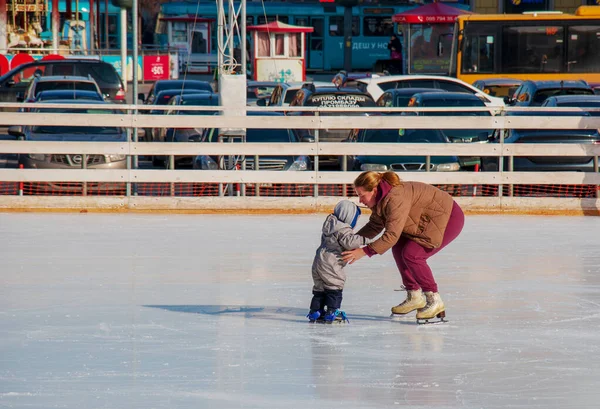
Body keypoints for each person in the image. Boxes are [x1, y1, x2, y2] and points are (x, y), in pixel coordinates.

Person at [341, 171, 465, 323]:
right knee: (399, 248)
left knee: (413, 254)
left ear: (373, 190)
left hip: (447, 218)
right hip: (423, 220)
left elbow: (391, 235)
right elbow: (375, 225)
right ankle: (414, 296)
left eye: (361, 195)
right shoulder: (381, 197)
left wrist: (364, 251)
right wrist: (351, 242)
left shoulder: (395, 197)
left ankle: (434, 299)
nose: (360, 200)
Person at [307, 200, 370, 324]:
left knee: (320, 287)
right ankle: (332, 311)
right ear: (349, 216)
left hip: (319, 260)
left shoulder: (330, 224)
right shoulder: (343, 229)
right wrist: (365, 239)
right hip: (332, 261)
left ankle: (315, 311)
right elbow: (349, 242)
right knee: (335, 285)